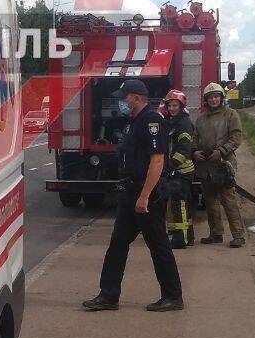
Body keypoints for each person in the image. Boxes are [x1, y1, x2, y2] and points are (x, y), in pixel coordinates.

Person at [82, 80, 183, 312]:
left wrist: (145, 196)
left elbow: (157, 161)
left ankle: (173, 296)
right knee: (117, 244)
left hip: (147, 194)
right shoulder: (135, 122)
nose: (121, 101)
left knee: (158, 245)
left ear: (136, 98)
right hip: (131, 192)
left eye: (124, 97)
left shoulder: (151, 121)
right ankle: (108, 296)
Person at [193, 81, 246, 248]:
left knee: (228, 200)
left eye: (216, 96)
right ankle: (216, 233)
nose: (213, 100)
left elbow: (236, 137)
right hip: (205, 166)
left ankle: (238, 235)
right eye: (210, 97)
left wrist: (222, 151)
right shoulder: (201, 119)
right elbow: (194, 138)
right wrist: (194, 151)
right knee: (209, 201)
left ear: (221, 98)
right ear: (206, 100)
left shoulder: (231, 115)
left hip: (224, 166)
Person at [162, 89, 196, 249]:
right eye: (170, 106)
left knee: (179, 204)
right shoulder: (172, 122)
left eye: (175, 105)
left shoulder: (184, 123)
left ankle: (180, 239)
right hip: (176, 170)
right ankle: (187, 236)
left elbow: (184, 149)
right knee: (178, 204)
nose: (172, 108)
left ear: (181, 106)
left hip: (181, 171)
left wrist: (171, 166)